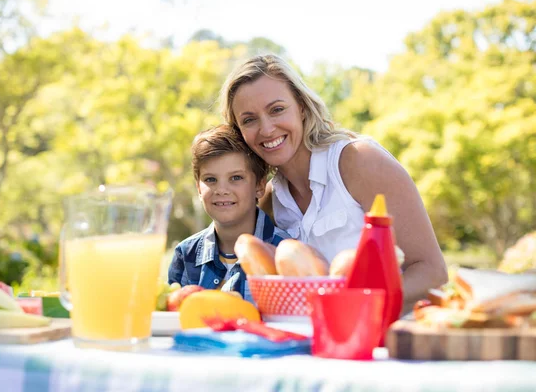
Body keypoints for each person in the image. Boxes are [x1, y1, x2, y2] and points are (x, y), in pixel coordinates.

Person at [218, 54, 448, 313]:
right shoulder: (269, 200)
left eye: (277, 109)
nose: (267, 128)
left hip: (388, 344)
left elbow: (432, 271)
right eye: (249, 120)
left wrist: (352, 311)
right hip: (311, 348)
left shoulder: (359, 161)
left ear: (302, 107)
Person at [167, 124, 290, 302]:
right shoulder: (185, 254)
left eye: (236, 178)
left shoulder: (283, 252)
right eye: (211, 179)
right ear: (199, 189)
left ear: (259, 186)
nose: (222, 190)